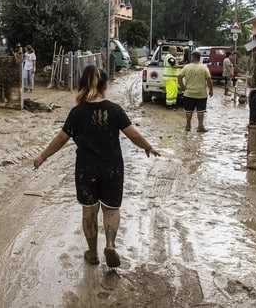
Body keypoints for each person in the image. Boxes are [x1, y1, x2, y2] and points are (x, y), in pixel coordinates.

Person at [33, 65, 160, 268]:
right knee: (111, 209)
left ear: (82, 85)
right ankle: (109, 244)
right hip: (112, 168)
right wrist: (148, 147)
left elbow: (61, 138)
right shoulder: (115, 110)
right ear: (104, 86)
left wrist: (42, 156)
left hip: (86, 169)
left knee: (89, 212)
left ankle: (92, 253)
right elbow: (133, 134)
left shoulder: (77, 112)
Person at [178, 51, 213, 132]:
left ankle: (188, 125)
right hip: (201, 94)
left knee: (188, 111)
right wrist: (211, 90)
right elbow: (209, 80)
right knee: (201, 111)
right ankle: (200, 126)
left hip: (188, 94)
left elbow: (179, 77)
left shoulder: (187, 67)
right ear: (199, 57)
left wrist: (183, 87)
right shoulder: (204, 68)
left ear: (193, 57)